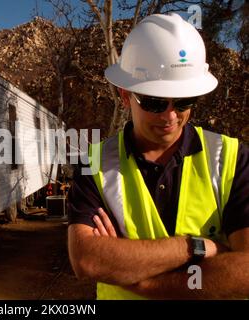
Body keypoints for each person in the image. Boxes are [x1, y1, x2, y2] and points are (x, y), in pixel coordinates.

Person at [67, 13, 249, 299]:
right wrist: (194, 248)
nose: (171, 115)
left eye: (184, 101)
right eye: (154, 102)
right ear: (125, 95)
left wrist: (140, 281)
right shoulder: (93, 164)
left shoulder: (231, 159)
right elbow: (88, 259)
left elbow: (246, 272)